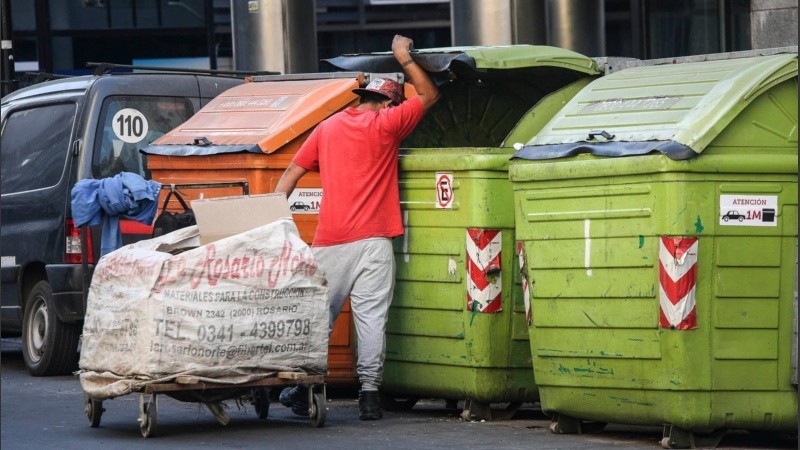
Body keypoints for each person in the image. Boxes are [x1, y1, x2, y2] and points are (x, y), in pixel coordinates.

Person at [273, 34, 440, 420]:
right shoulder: (387, 124)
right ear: (387, 102)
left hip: (330, 242)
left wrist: (272, 223)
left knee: (317, 318)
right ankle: (368, 396)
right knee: (371, 319)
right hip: (375, 243)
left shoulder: (326, 128)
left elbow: (291, 176)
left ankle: (303, 388)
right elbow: (429, 96)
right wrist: (404, 57)